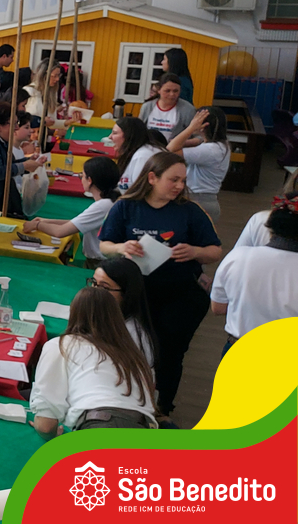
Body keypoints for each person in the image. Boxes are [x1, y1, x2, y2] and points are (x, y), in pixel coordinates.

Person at [100, 151, 221, 415]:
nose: (179, 186)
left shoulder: (189, 211)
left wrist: (195, 251)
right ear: (152, 178)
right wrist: (122, 247)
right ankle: (124, 399)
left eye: (183, 181)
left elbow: (215, 251)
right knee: (128, 346)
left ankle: (162, 407)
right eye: (173, 180)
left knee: (169, 353)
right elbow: (104, 245)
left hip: (179, 295)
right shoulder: (126, 206)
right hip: (135, 293)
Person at [30, 287, 158, 437]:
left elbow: (45, 425)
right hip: (145, 434)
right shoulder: (134, 354)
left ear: (74, 314)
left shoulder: (62, 345)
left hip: (101, 428)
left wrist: (54, 436)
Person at [211, 192, 298, 354]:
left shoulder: (238, 257)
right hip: (287, 354)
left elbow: (218, 307)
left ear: (270, 226)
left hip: (239, 349)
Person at [25, 156, 120, 268]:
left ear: (90, 180)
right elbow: (77, 224)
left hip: (100, 263)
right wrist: (47, 221)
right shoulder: (110, 201)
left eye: (82, 175)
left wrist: (36, 225)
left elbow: (60, 232)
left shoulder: (102, 206)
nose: (81, 179)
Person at [0, 103, 43, 219]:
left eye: (17, 123)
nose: (16, 128)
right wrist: (24, 166)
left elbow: (7, 165)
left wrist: (28, 161)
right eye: (13, 124)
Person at [166, 107, 230, 222]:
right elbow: (200, 141)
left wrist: (191, 128)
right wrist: (189, 141)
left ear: (203, 125)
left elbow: (170, 150)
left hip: (198, 200)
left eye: (195, 120)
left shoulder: (210, 150)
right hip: (206, 199)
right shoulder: (222, 145)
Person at [91, 257, 157, 367]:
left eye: (104, 287)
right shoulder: (104, 316)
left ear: (126, 294)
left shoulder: (131, 337)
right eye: (94, 283)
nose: (94, 291)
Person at [112, 117, 163, 192]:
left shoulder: (143, 156)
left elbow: (139, 192)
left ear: (128, 136)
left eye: (115, 133)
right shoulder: (139, 152)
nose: (110, 137)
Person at [139, 73, 195, 140]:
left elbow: (197, 136)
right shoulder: (147, 107)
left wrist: (178, 142)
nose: (172, 94)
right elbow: (139, 130)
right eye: (167, 91)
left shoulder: (188, 109)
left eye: (175, 91)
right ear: (159, 90)